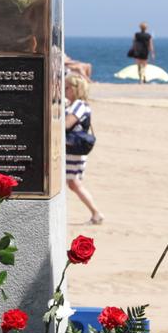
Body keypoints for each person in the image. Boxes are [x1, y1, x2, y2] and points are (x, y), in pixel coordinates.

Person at [62, 72, 105, 224]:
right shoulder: (75, 105)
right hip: (71, 149)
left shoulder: (79, 105)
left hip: (73, 149)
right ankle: (95, 213)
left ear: (75, 89)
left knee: (73, 182)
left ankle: (96, 213)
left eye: (66, 87)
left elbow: (66, 124)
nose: (64, 90)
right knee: (73, 183)